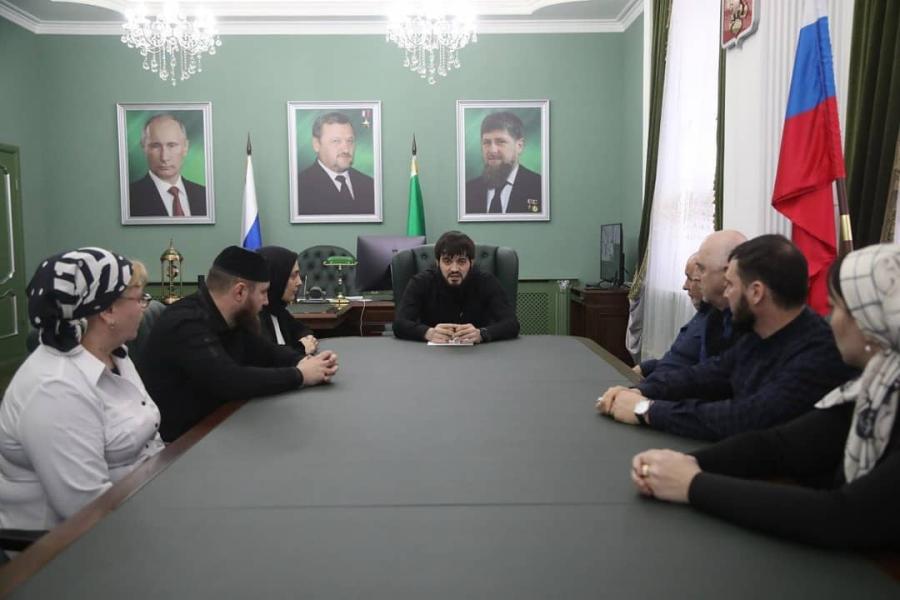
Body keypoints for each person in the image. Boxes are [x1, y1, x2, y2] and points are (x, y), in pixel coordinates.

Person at [630, 244, 900, 550]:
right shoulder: (874, 386)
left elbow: (842, 515)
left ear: (872, 322)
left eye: (836, 308)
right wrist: (686, 462)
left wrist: (692, 484)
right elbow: (777, 444)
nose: (831, 320)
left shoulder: (822, 354)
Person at [597, 234, 858, 440]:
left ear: (756, 293)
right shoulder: (758, 335)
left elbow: (744, 418)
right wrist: (639, 391)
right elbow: (706, 374)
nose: (727, 293)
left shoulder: (817, 354)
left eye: (731, 285)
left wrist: (646, 409)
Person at [0, 248, 164, 534]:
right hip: (61, 545)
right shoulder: (55, 388)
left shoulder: (116, 355)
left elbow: (152, 439)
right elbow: (86, 507)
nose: (144, 307)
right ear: (107, 311)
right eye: (139, 299)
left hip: (140, 502)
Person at [138, 246, 338, 442]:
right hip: (183, 444)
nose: (267, 301)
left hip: (218, 425)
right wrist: (300, 375)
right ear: (240, 291)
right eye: (263, 292)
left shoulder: (231, 317)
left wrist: (305, 361)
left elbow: (265, 351)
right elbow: (230, 379)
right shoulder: (186, 322)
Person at [393, 231, 520, 344]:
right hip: (431, 354)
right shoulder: (420, 282)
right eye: (447, 261)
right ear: (438, 263)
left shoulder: (486, 281)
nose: (454, 269)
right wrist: (427, 333)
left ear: (471, 263)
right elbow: (399, 324)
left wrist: (482, 334)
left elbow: (512, 324)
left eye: (461, 261)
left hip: (479, 354)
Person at [634, 253, 710, 378]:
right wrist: (643, 368)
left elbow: (694, 377)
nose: (684, 286)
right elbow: (678, 360)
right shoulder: (702, 314)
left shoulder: (716, 326)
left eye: (690, 278)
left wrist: (644, 388)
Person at [129, 114, 207, 217]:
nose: (164, 157)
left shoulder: (205, 195)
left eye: (172, 145)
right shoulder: (129, 197)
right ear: (144, 148)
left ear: (186, 147)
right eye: (156, 146)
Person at [297, 112, 375, 216]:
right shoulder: (299, 188)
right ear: (316, 144)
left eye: (350, 141)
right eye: (336, 141)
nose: (346, 149)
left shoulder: (370, 185)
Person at [465, 112, 542, 215]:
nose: (492, 150)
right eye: (486, 142)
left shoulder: (540, 187)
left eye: (500, 142)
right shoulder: (468, 190)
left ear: (519, 146)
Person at [693, 229, 747, 361]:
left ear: (727, 272)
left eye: (702, 269)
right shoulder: (713, 314)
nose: (696, 277)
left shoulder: (750, 325)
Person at [257, 245, 318, 355]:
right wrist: (302, 347)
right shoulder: (253, 319)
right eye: (293, 276)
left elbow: (302, 329)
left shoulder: (277, 310)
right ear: (277, 277)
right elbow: (270, 358)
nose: (299, 282)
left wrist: (307, 338)